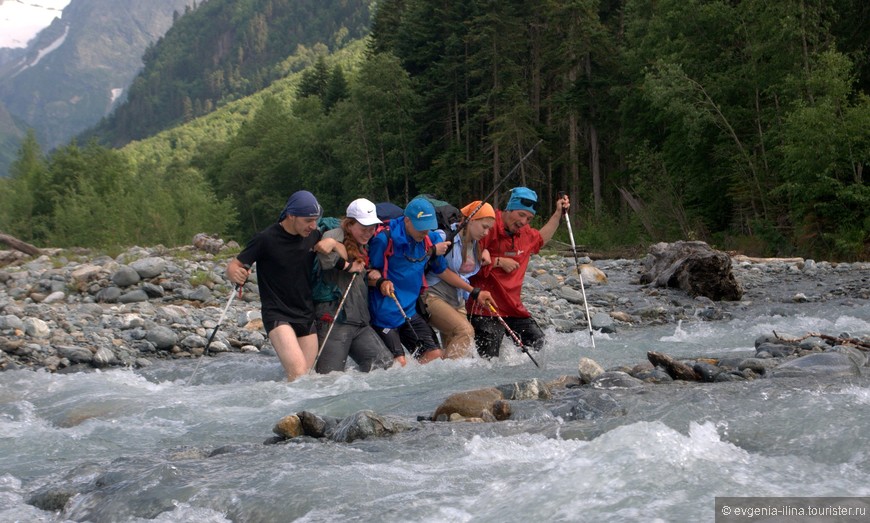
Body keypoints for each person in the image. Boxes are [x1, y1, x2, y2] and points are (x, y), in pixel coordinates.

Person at [226, 190, 323, 381]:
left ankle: (297, 412)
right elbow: (234, 266)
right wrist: (235, 274)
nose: (312, 226)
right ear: (291, 215)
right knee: (299, 375)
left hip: (306, 313)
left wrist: (334, 245)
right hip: (278, 314)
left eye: (315, 220)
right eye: (308, 221)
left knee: (309, 380)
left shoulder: (314, 236)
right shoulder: (265, 239)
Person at [466, 187, 570, 358]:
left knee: (541, 349)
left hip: (513, 309)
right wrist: (498, 261)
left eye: (529, 218)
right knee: (489, 360)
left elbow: (540, 239)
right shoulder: (488, 226)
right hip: (483, 308)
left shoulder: (524, 233)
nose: (524, 221)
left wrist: (558, 213)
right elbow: (467, 259)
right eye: (521, 215)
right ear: (509, 209)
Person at [312, 198, 394, 374]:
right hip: (334, 320)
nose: (369, 233)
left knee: (385, 365)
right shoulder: (333, 236)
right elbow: (325, 261)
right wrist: (342, 255)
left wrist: (377, 278)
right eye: (364, 228)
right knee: (329, 378)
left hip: (359, 321)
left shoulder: (363, 244)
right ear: (349, 225)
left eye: (372, 228)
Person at [368, 197, 451, 365]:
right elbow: (369, 273)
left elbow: (440, 269)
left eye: (428, 227)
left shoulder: (430, 238)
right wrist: (381, 282)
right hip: (384, 313)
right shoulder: (384, 239)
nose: (425, 232)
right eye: (421, 228)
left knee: (436, 357)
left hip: (410, 311)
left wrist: (435, 251)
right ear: (407, 220)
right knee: (399, 364)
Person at [423, 201, 497, 358]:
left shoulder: (476, 244)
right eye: (484, 226)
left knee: (459, 351)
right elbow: (441, 269)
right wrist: (474, 292)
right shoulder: (445, 236)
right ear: (471, 219)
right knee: (465, 331)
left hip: (457, 300)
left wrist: (486, 251)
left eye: (489, 229)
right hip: (433, 295)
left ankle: (443, 376)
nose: (486, 232)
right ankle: (448, 378)